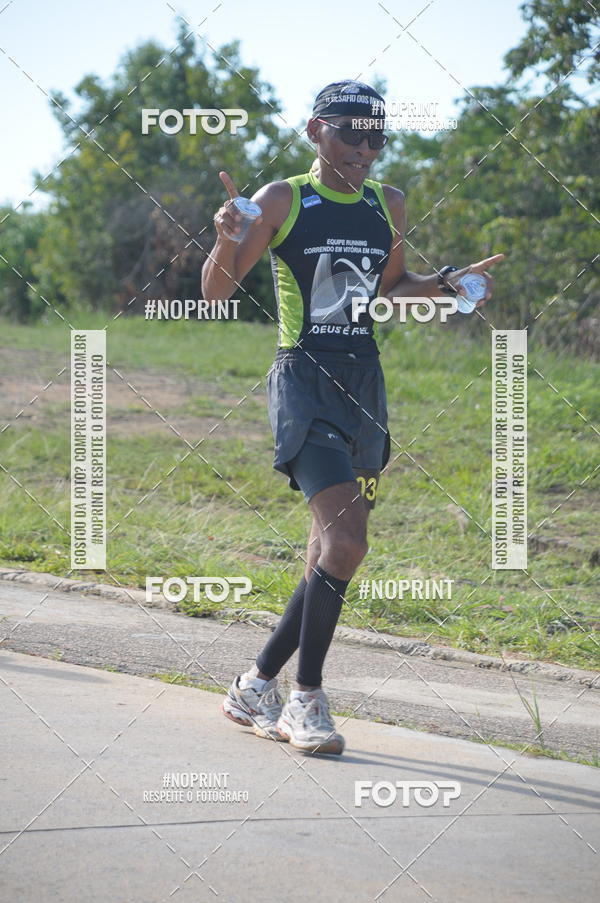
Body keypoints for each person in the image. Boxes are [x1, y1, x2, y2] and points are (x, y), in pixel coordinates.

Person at [201, 80, 504, 756]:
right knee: (348, 542)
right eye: (350, 135)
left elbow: (390, 286)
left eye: (377, 137)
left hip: (364, 384)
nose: (365, 150)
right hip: (303, 379)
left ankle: (255, 684)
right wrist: (226, 238)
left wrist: (445, 283)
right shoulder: (284, 198)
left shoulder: (386, 202)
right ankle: (304, 699)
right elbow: (217, 289)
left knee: (326, 550)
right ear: (315, 130)